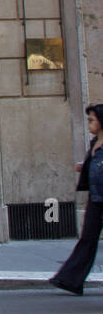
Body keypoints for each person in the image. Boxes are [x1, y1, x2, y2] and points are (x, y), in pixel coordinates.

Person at [49, 104, 103, 295]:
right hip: (96, 199)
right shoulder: (94, 143)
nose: (88, 123)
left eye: (91, 120)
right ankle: (70, 279)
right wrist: (85, 166)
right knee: (87, 238)